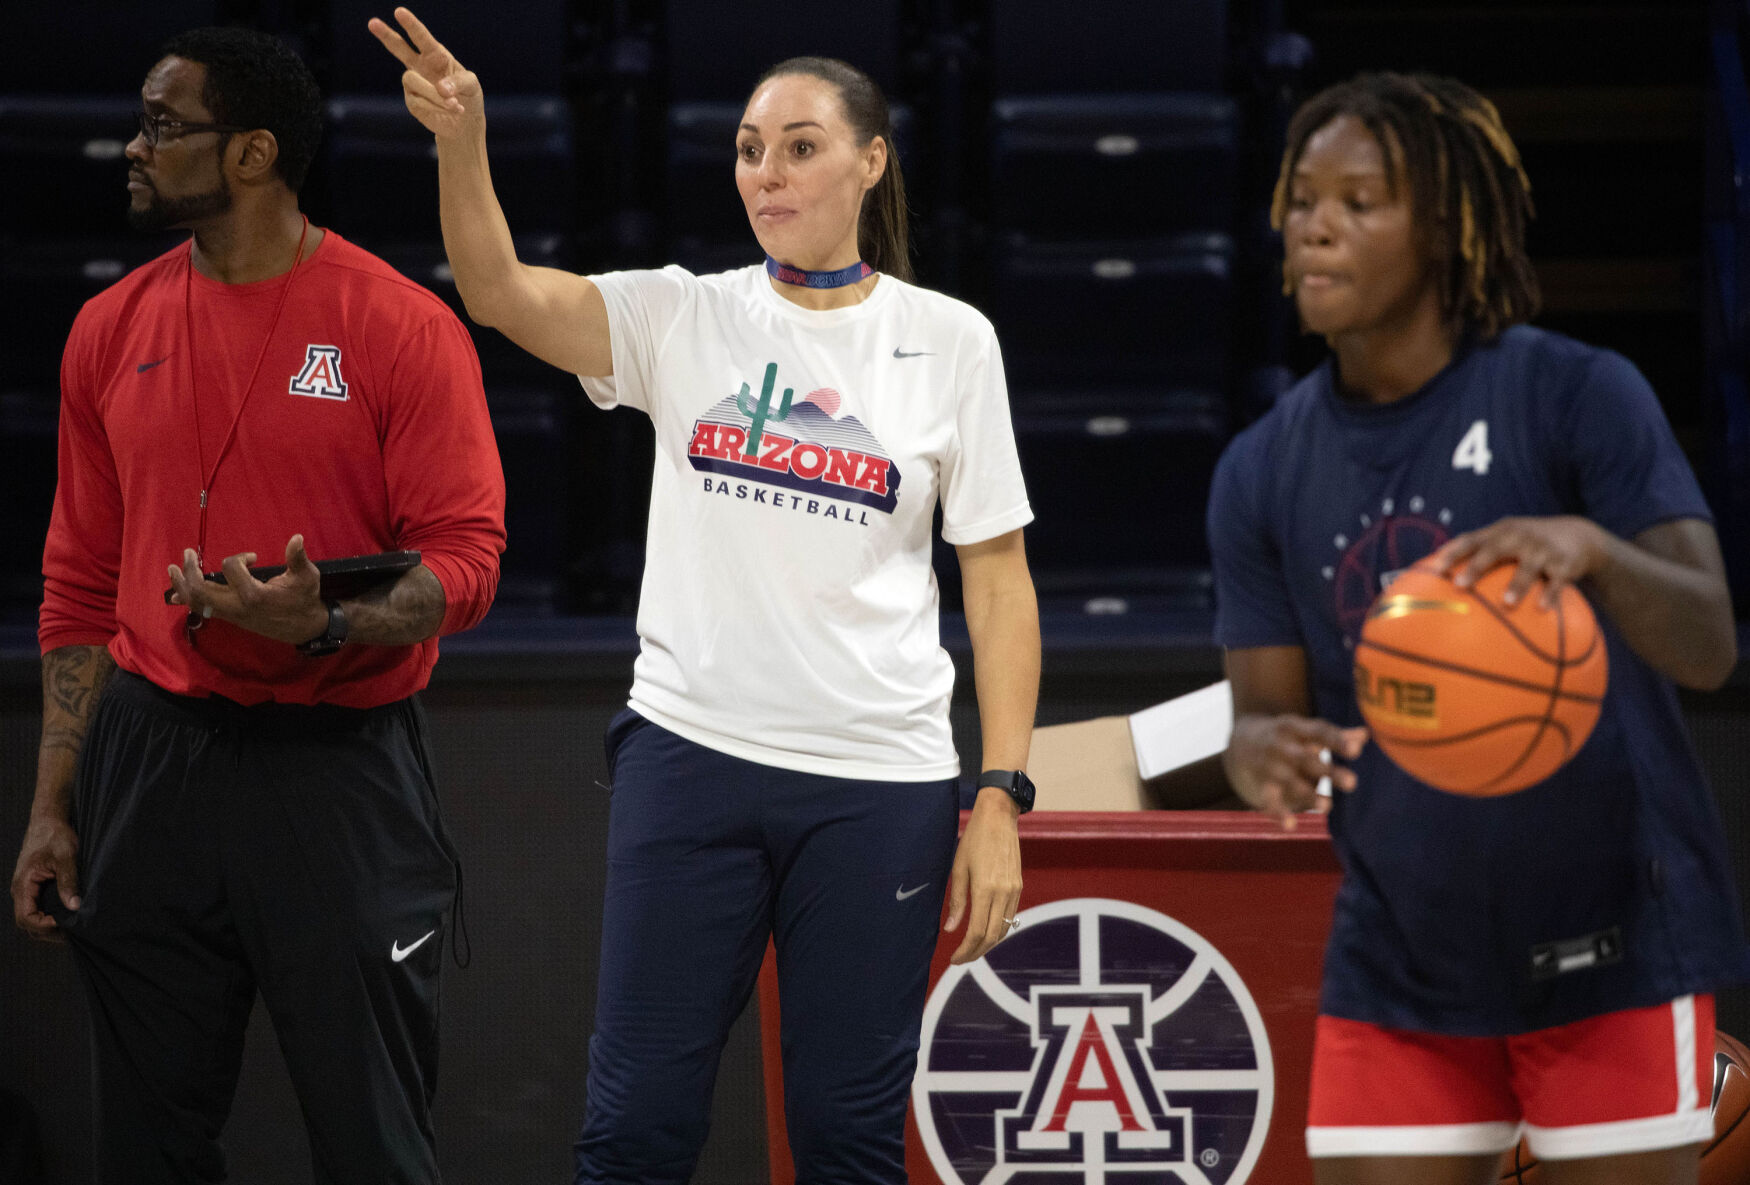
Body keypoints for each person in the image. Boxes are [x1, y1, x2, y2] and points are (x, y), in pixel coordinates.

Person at [370, 7, 1040, 1181]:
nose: (765, 171)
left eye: (798, 145)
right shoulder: (681, 312)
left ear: (872, 161)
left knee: (843, 1138)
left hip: (879, 780)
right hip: (691, 759)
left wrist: (1000, 796)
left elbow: (996, 581)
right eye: (746, 147)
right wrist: (462, 138)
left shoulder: (951, 340)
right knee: (634, 1129)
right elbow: (496, 292)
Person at [1210, 72, 1748, 1185]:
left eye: (1360, 202)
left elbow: (1708, 643)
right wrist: (1256, 751)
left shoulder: (1575, 396)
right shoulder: (1260, 467)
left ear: (1447, 230)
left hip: (1612, 944)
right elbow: (1262, 714)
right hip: (1402, 957)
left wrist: (1595, 550)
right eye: (1304, 198)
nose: (1315, 224)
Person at [8, 26, 506, 1184]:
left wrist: (326, 621)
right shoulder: (108, 326)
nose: (134, 147)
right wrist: (52, 804)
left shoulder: (397, 325)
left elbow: (467, 563)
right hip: (150, 760)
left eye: (164, 126)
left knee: (373, 1145)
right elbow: (80, 584)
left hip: (338, 771)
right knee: (143, 1145)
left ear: (252, 155)